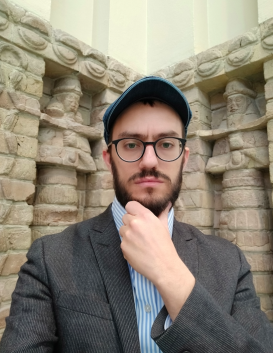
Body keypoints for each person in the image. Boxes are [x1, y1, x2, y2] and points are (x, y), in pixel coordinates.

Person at [1, 76, 273, 353]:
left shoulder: (230, 262)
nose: (149, 161)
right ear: (109, 159)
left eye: (166, 144)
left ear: (184, 158)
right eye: (131, 144)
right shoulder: (50, 257)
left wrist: (170, 274)